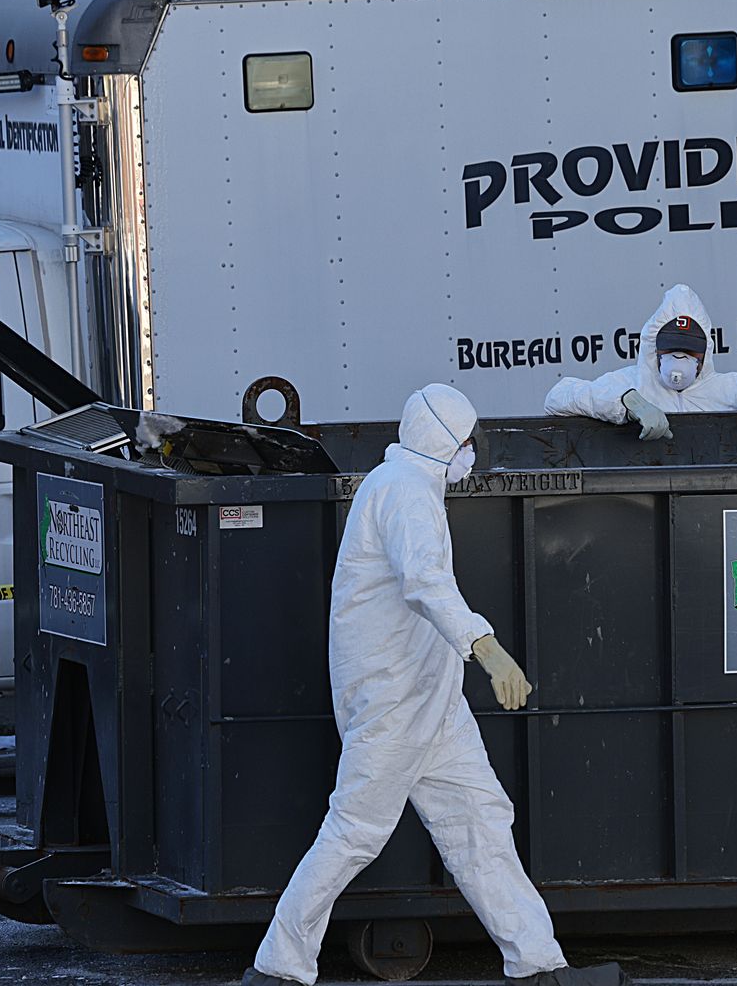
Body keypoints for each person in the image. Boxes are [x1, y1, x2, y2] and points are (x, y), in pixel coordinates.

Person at [244, 384, 625, 986]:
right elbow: (425, 583)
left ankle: (539, 966)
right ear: (448, 445)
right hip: (395, 705)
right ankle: (277, 967)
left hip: (427, 700)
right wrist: (489, 650)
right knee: (353, 834)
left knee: (480, 824)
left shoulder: (400, 485)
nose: (473, 451)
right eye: (468, 441)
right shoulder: (405, 495)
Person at [543, 284, 737, 441]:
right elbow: (558, 397)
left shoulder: (727, 389)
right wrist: (628, 403)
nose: (680, 360)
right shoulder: (630, 383)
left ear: (704, 355)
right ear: (656, 351)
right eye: (672, 350)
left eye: (690, 352)